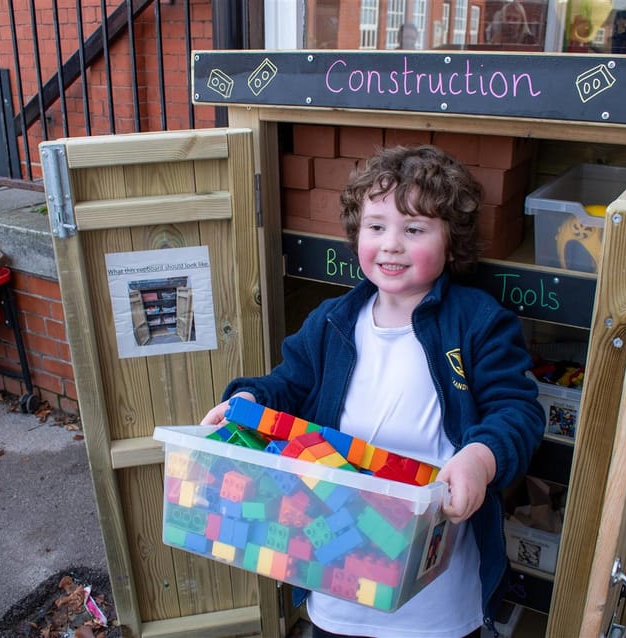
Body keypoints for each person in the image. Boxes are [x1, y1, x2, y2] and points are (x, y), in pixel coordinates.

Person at [201, 145, 545, 638]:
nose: (392, 244)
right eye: (376, 226)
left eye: (415, 228)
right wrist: (249, 401)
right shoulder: (331, 321)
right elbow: (287, 384)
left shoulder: (478, 322)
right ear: (356, 234)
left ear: (451, 243)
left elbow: (517, 410)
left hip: (436, 592)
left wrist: (481, 457)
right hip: (336, 572)